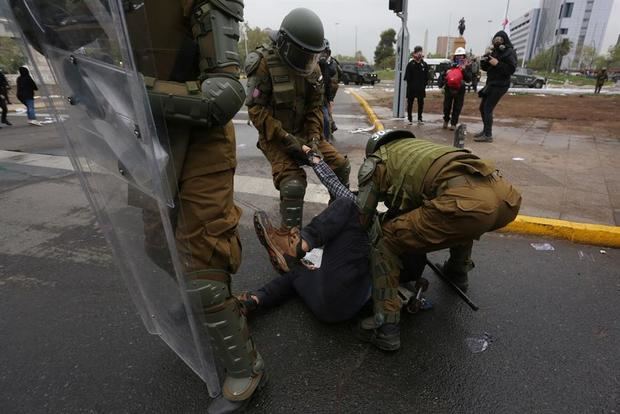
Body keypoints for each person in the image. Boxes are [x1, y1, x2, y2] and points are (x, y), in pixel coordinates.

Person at [12, 1, 266, 411]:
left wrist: (130, 90)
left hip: (202, 140)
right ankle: (207, 304)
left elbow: (224, 94)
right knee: (157, 243)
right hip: (148, 140)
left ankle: (246, 365)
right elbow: (61, 35)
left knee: (203, 262)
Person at [356, 129, 522, 351]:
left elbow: (362, 218)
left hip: (466, 204)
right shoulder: (422, 150)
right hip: (505, 197)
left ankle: (385, 327)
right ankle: (457, 271)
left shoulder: (376, 162)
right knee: (460, 219)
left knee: (386, 240)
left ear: (372, 151)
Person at [245, 8, 350, 229]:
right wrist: (285, 137)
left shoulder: (311, 68)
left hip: (305, 135)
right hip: (274, 137)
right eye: (303, 54)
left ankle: (337, 224)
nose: (307, 61)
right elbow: (256, 111)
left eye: (311, 55)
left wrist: (313, 138)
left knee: (340, 167)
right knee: (293, 184)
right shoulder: (264, 63)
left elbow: (314, 108)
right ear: (287, 45)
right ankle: (288, 240)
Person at [241, 147, 371, 323]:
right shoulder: (400, 224)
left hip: (329, 297)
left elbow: (336, 187)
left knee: (346, 206)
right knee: (299, 269)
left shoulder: (358, 208)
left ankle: (297, 247)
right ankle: (254, 300)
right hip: (343, 310)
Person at [474, 31, 517, 142]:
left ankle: (488, 135)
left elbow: (511, 70)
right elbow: (486, 68)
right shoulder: (494, 52)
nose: (497, 42)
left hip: (500, 85)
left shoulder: (509, 52)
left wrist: (497, 63)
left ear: (504, 40)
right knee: (482, 108)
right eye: (495, 39)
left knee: (487, 108)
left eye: (500, 39)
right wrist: (485, 60)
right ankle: (485, 131)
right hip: (491, 83)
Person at [438, 47, 472, 131]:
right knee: (446, 106)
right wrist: (447, 72)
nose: (459, 58)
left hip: (460, 88)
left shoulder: (467, 66)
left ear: (464, 57)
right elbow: (443, 75)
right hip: (449, 88)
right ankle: (446, 120)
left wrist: (463, 70)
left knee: (457, 107)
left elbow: (469, 78)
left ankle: (453, 123)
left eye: (461, 56)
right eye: (457, 56)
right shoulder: (450, 64)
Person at [403, 46, 429, 125]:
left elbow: (427, 77)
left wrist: (424, 84)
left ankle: (420, 118)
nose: (419, 54)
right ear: (414, 53)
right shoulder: (410, 64)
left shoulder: (424, 64)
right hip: (411, 89)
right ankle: (409, 118)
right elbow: (407, 77)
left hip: (421, 89)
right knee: (410, 103)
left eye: (420, 52)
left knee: (421, 103)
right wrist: (411, 85)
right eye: (418, 52)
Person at [318, 40, 337, 141]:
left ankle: (326, 140)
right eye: (321, 52)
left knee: (325, 119)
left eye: (325, 52)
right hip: (308, 97)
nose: (323, 54)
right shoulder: (309, 64)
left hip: (322, 98)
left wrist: (330, 99)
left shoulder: (327, 65)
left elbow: (328, 83)